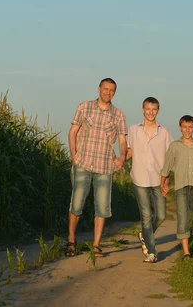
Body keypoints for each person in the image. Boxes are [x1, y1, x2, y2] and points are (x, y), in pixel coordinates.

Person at [65, 78, 128, 258]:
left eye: (112, 90)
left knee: (102, 207)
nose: (108, 92)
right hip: (83, 163)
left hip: (104, 166)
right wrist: (73, 154)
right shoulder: (84, 107)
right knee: (76, 204)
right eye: (105, 89)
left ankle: (96, 245)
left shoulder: (118, 115)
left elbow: (123, 141)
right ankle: (71, 241)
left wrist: (122, 157)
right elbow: (73, 132)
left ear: (114, 93)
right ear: (99, 88)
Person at [126, 97, 174, 263]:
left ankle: (145, 235)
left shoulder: (165, 132)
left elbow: (170, 157)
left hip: (157, 178)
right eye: (148, 109)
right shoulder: (133, 130)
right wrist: (118, 160)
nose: (151, 112)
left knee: (160, 215)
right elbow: (129, 151)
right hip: (139, 177)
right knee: (146, 216)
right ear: (142, 110)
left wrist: (167, 180)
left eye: (154, 109)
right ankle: (152, 252)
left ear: (158, 111)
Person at [160, 115, 193, 260]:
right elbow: (166, 167)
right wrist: (162, 184)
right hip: (181, 188)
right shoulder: (175, 146)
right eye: (184, 127)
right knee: (182, 219)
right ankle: (186, 252)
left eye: (190, 127)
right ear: (180, 128)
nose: (187, 130)